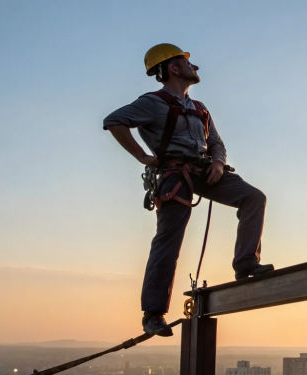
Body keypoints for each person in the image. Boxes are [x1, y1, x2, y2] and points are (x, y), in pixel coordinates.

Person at [104, 44, 273, 336]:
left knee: (253, 197)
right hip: (174, 174)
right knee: (169, 241)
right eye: (187, 62)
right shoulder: (153, 103)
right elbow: (114, 121)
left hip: (205, 170)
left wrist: (218, 163)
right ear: (173, 67)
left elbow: (216, 142)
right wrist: (142, 156)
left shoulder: (199, 108)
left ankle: (245, 263)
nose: (194, 67)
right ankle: (153, 313)